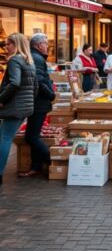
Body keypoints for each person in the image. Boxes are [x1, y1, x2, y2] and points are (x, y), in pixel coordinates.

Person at [0, 33, 36, 185]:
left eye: (8, 44)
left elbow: (15, 83)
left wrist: (1, 99)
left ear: (16, 45)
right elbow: (36, 86)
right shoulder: (29, 61)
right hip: (24, 107)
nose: (6, 46)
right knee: (4, 136)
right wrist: (29, 101)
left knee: (5, 138)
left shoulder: (15, 60)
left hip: (14, 106)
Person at [19, 34, 56, 178]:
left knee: (32, 135)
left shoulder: (36, 57)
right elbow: (39, 81)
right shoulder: (37, 58)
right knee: (32, 136)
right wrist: (50, 95)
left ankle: (36, 166)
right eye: (46, 44)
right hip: (39, 102)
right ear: (38, 45)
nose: (47, 46)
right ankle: (51, 160)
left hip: (38, 102)